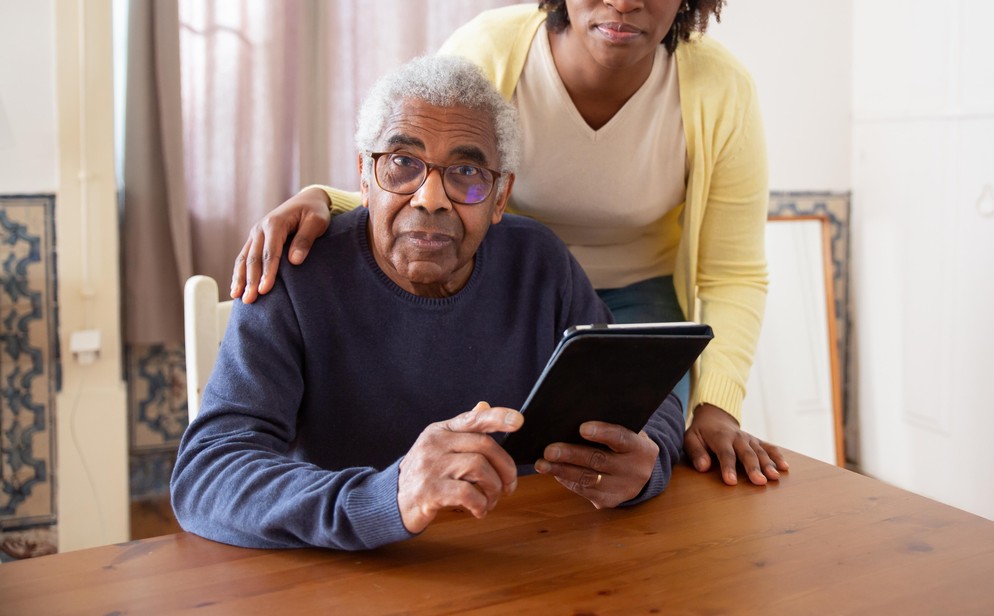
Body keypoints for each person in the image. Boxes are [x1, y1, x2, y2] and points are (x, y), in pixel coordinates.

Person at [229, 0, 788, 487]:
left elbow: (731, 272)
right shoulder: (493, 49)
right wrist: (325, 198)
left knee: (637, 455)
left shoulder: (720, 88)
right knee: (487, 451)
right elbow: (428, 158)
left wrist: (716, 411)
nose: (622, 1)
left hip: (632, 290)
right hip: (510, 280)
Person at [171, 55, 683, 550]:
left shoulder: (540, 263)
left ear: (500, 197)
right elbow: (208, 474)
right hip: (349, 573)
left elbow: (649, 398)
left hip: (528, 559)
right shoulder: (295, 273)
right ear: (365, 178)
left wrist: (647, 465)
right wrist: (387, 497)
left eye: (466, 172)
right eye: (402, 164)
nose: (430, 197)